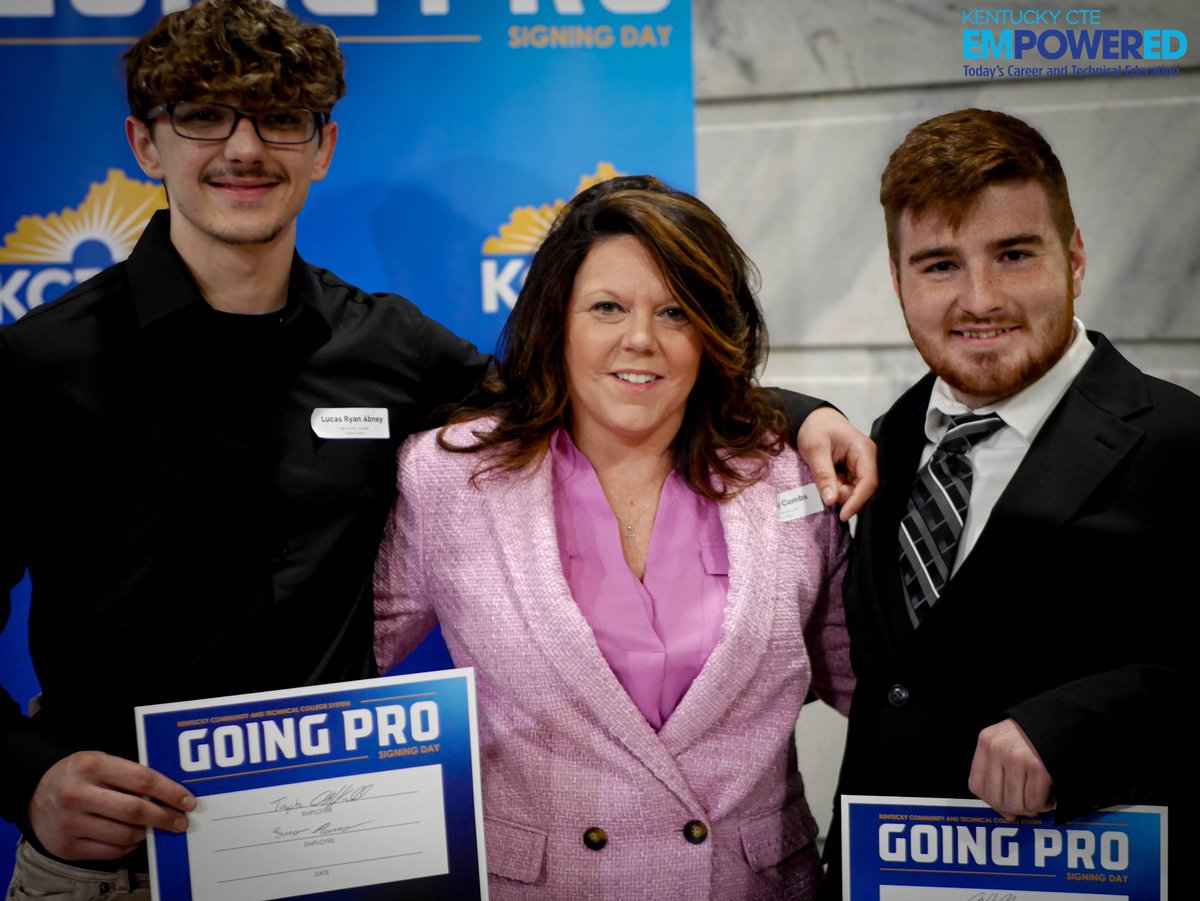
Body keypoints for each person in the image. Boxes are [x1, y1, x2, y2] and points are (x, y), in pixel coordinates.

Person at [0, 1, 877, 896]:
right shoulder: (40, 364)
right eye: (202, 117)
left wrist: (791, 414)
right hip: (119, 863)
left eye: (280, 119)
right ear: (144, 145)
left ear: (323, 146)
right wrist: (25, 775)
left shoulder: (388, 345)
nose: (245, 148)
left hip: (326, 853)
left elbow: (585, 390)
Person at [375, 175, 856, 899]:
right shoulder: (450, 479)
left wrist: (1031, 730)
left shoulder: (789, 478)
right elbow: (337, 661)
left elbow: (874, 681)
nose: (641, 339)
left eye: (675, 311)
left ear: (711, 333)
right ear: (558, 322)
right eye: (608, 307)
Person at [823, 108, 1199, 896]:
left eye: (1014, 254)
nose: (980, 299)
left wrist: (1076, 727)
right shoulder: (891, 436)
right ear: (898, 281)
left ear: (1075, 257)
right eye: (940, 265)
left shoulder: (1181, 442)